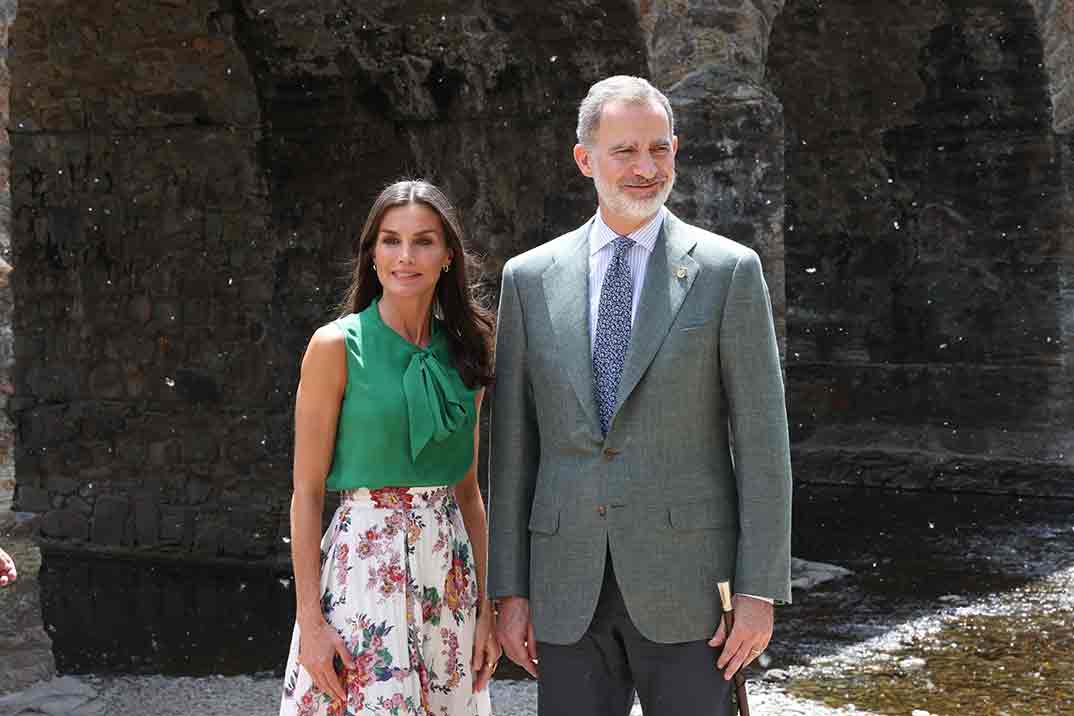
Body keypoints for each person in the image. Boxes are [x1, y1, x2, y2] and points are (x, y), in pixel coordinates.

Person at [488, 75, 793, 716]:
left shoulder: (727, 272)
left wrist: (760, 591)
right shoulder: (529, 279)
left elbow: (764, 443)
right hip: (565, 586)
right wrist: (508, 590)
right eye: (625, 151)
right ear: (585, 160)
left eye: (659, 149)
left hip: (690, 590)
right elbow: (513, 450)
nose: (645, 168)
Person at [279, 180, 500, 716]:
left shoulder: (467, 352)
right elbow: (306, 493)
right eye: (390, 240)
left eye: (424, 241)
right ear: (371, 254)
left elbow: (469, 493)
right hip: (362, 576)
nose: (406, 256)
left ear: (448, 256)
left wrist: (485, 610)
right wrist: (311, 622)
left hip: (448, 576)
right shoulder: (335, 346)